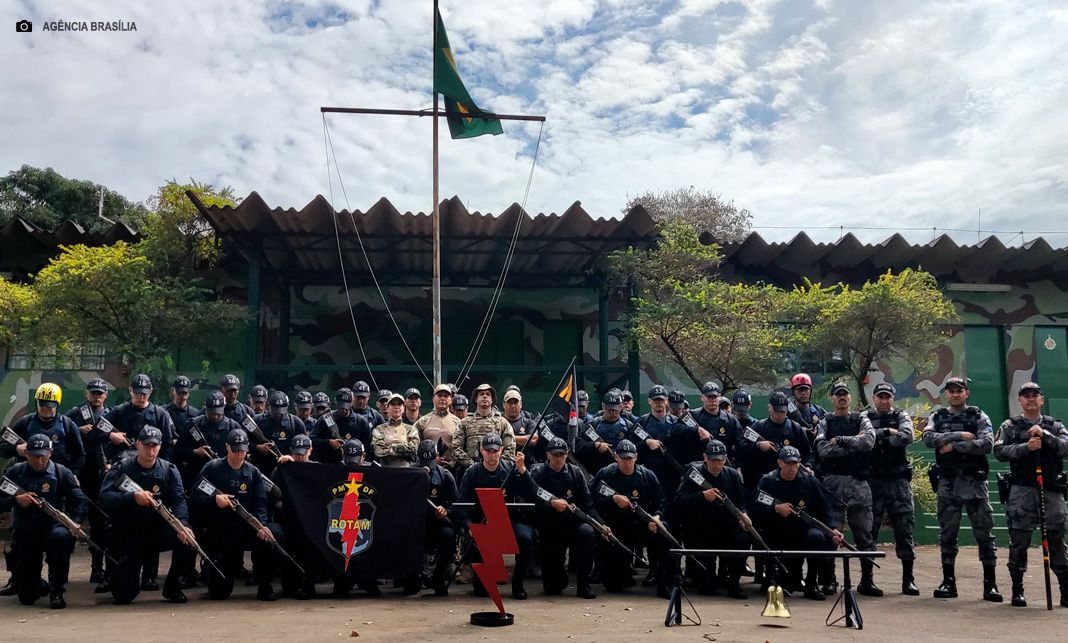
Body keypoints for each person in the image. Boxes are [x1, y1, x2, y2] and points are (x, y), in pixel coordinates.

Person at [922, 375, 1001, 602]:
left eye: (959, 390)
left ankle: (990, 585)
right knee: (947, 535)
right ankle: (948, 583)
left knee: (984, 534)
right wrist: (960, 436)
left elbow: (987, 444)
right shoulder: (938, 416)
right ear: (946, 394)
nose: (955, 394)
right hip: (948, 483)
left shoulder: (978, 416)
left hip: (974, 483)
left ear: (967, 393)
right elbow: (928, 438)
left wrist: (952, 446)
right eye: (951, 390)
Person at [99, 427, 194, 604]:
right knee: (123, 595)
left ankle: (173, 586)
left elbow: (179, 500)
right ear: (138, 445)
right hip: (130, 533)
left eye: (155, 446)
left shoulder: (169, 470)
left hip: (158, 529)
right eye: (147, 445)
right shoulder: (122, 468)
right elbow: (104, 499)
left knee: (188, 539)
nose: (151, 450)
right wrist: (132, 497)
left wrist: (183, 524)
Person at [993, 381, 1068, 607]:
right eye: (1026, 396)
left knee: (1056, 539)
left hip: (1051, 489)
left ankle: (1065, 590)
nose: (1031, 399)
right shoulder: (1010, 426)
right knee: (1019, 540)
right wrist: (1026, 447)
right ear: (1020, 401)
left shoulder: (1055, 426)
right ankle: (1018, 590)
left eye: (1035, 395)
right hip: (1022, 489)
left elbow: (1066, 447)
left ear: (1042, 400)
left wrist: (1045, 436)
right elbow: (998, 451)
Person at [0, 434, 88, 609]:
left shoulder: (62, 472)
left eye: (43, 455)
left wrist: (76, 521)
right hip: (27, 530)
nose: (39, 460)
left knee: (61, 539)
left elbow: (81, 500)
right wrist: (16, 501)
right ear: (26, 454)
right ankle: (37, 584)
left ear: (50, 453)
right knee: (27, 597)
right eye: (34, 456)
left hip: (54, 527)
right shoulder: (14, 472)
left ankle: (57, 588)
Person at [193, 429, 277, 601]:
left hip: (246, 527)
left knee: (269, 536)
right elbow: (194, 500)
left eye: (243, 450)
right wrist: (215, 501)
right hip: (220, 530)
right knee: (219, 592)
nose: (240, 454)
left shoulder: (254, 473)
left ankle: (265, 585)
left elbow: (261, 503)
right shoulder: (212, 469)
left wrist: (261, 525)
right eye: (236, 450)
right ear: (227, 447)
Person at [814, 381, 879, 596]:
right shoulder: (825, 422)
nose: (842, 398)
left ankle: (867, 581)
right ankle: (829, 580)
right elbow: (823, 450)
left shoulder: (861, 419)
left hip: (857, 483)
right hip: (831, 484)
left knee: (864, 535)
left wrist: (841, 441)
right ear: (831, 398)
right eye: (837, 394)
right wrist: (853, 446)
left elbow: (868, 442)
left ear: (850, 398)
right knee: (830, 534)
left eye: (845, 394)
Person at [752, 446, 842, 600]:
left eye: (795, 463)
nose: (792, 467)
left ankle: (811, 584)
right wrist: (775, 509)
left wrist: (833, 528)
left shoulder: (810, 481)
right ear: (780, 463)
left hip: (803, 530)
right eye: (788, 463)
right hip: (776, 531)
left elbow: (824, 507)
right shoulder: (768, 481)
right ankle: (773, 578)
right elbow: (754, 510)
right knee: (780, 583)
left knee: (817, 538)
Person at [589, 439, 673, 598]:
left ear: (636, 457)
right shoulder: (605, 474)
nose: (627, 462)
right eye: (623, 458)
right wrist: (612, 500)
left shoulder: (647, 475)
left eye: (630, 458)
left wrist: (657, 517)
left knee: (665, 529)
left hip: (643, 525)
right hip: (615, 529)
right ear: (616, 457)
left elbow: (661, 501)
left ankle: (663, 581)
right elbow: (592, 503)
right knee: (613, 586)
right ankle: (614, 570)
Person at [457, 433, 534, 599]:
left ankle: (518, 583)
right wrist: (470, 526)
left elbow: (531, 493)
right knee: (481, 591)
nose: (492, 455)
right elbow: (461, 505)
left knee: (526, 538)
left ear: (501, 451)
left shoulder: (510, 469)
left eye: (495, 451)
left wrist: (523, 471)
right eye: (488, 450)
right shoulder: (472, 472)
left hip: (508, 521)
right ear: (481, 450)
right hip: (482, 523)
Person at [672, 440, 751, 598]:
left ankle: (733, 581)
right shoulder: (694, 475)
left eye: (720, 460)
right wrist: (702, 496)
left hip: (726, 528)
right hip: (701, 531)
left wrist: (744, 515)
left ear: (725, 459)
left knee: (743, 538)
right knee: (707, 589)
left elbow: (741, 502)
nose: (716, 464)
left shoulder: (732, 475)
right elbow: (678, 501)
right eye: (713, 460)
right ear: (705, 458)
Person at [528, 437, 598, 599]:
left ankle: (584, 584)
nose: (558, 458)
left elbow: (588, 505)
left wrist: (600, 524)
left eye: (562, 454)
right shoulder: (538, 474)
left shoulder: (576, 473)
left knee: (587, 532)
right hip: (549, 527)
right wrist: (551, 505)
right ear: (548, 455)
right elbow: (531, 505)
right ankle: (559, 575)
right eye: (555, 454)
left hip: (573, 524)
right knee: (552, 588)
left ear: (566, 455)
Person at [866, 382, 919, 595]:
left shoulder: (901, 416)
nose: (884, 400)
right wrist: (887, 432)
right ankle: (866, 579)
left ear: (892, 398)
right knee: (870, 532)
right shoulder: (865, 417)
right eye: (880, 396)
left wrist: (878, 438)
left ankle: (908, 580)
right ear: (874, 398)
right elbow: (864, 439)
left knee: (904, 530)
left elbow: (907, 436)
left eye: (887, 397)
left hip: (898, 482)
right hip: (874, 482)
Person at [64, 378, 111, 585]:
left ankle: (97, 569)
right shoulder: (74, 415)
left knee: (100, 525)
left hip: (102, 477)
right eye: (93, 392)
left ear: (105, 395)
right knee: (72, 521)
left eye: (100, 393)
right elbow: (61, 435)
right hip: (78, 477)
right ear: (86, 394)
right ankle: (60, 574)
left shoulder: (111, 416)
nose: (97, 396)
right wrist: (78, 430)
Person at [735, 391, 813, 493]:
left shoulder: (795, 428)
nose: (780, 414)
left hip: (791, 481)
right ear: (769, 408)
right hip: (764, 481)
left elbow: (808, 454)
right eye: (777, 411)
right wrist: (758, 445)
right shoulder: (758, 427)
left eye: (783, 411)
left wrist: (808, 466)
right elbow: (741, 450)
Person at [2, 383, 86, 475]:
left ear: (57, 405)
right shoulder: (25, 423)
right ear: (36, 403)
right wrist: (17, 448)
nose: (45, 408)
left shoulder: (67, 425)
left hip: (57, 478)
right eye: (42, 404)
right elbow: (2, 447)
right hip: (26, 478)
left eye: (50, 405)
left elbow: (79, 456)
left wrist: (72, 475)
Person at [416, 439, 457, 596]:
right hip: (416, 523)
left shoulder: (445, 476)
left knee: (448, 536)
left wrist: (446, 511)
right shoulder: (410, 474)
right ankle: (415, 574)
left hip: (437, 523)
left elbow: (456, 503)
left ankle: (438, 577)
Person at [452, 384, 516, 475]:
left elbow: (510, 448)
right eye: (481, 394)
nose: (485, 396)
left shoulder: (502, 422)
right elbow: (456, 448)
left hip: (497, 473)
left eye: (488, 394)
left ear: (492, 400)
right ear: (475, 399)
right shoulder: (464, 423)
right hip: (470, 473)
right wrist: (473, 466)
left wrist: (495, 465)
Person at [635, 385, 680, 497]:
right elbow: (633, 447)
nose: (659, 403)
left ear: (667, 401)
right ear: (649, 401)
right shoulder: (642, 423)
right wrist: (646, 443)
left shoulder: (677, 423)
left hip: (672, 474)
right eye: (656, 400)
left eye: (661, 400)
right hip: (649, 473)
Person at [575, 390, 632, 474]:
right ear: (603, 406)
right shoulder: (593, 424)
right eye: (610, 410)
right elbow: (578, 445)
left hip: (622, 472)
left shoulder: (628, 425)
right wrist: (595, 445)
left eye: (615, 410)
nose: (612, 413)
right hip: (597, 472)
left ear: (621, 407)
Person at [310, 388, 373, 465]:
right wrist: (328, 442)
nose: (343, 410)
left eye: (346, 407)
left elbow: (368, 446)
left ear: (352, 401)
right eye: (341, 407)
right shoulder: (326, 419)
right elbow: (312, 440)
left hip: (353, 464)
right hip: (329, 465)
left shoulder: (361, 422)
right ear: (335, 401)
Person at [252, 391, 307, 477]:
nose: (278, 415)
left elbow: (306, 448)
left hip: (287, 471)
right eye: (275, 412)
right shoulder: (257, 421)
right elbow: (244, 444)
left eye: (281, 412)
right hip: (261, 470)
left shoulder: (296, 423)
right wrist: (258, 448)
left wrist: (290, 457)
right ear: (269, 406)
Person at [413, 384, 461, 472]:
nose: (443, 398)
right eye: (439, 395)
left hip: (453, 471)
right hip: (427, 470)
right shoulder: (422, 422)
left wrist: (452, 463)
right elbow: (414, 447)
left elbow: (462, 448)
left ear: (450, 400)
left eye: (446, 396)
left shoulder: (458, 423)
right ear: (433, 399)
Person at [372, 393, 419, 467]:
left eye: (399, 404)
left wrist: (390, 447)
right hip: (385, 472)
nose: (396, 407)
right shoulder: (379, 429)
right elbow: (378, 451)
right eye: (393, 404)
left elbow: (413, 449)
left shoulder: (411, 429)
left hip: (406, 472)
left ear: (403, 408)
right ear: (388, 407)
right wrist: (402, 448)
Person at [787, 373, 827, 443]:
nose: (803, 393)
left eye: (806, 390)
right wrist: (800, 430)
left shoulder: (820, 411)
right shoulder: (787, 413)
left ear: (810, 391)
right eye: (800, 390)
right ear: (793, 392)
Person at [503, 388, 541, 462]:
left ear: (520, 404)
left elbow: (533, 439)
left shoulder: (529, 423)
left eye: (516, 402)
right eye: (510, 402)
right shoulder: (498, 422)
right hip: (503, 465)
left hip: (525, 465)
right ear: (504, 405)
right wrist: (521, 440)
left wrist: (507, 438)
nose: (513, 406)